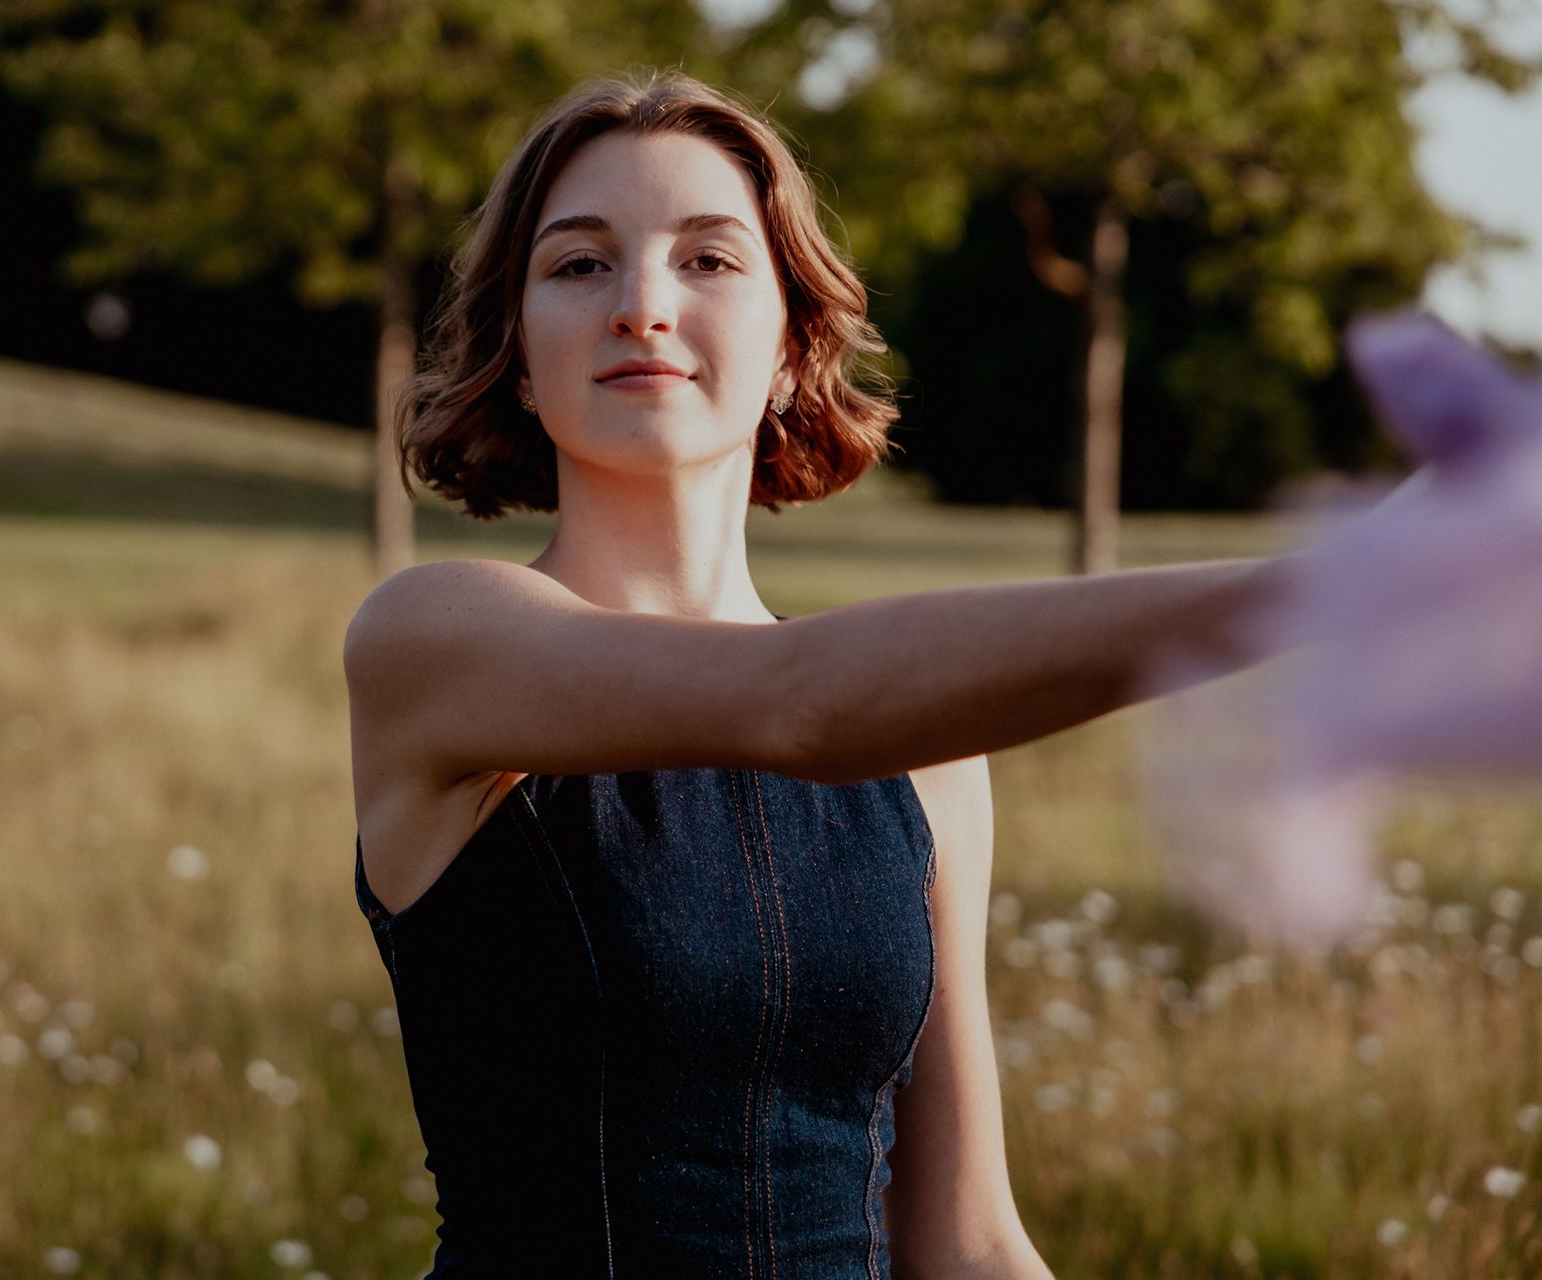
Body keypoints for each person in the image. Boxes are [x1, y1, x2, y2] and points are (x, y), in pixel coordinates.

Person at [343, 69, 1291, 1279]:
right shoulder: (436, 639)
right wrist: (1323, 587)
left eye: (710, 260)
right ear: (519, 356)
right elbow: (795, 701)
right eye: (579, 264)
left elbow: (968, 1238)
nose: (641, 302)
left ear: (795, 343)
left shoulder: (931, 747)